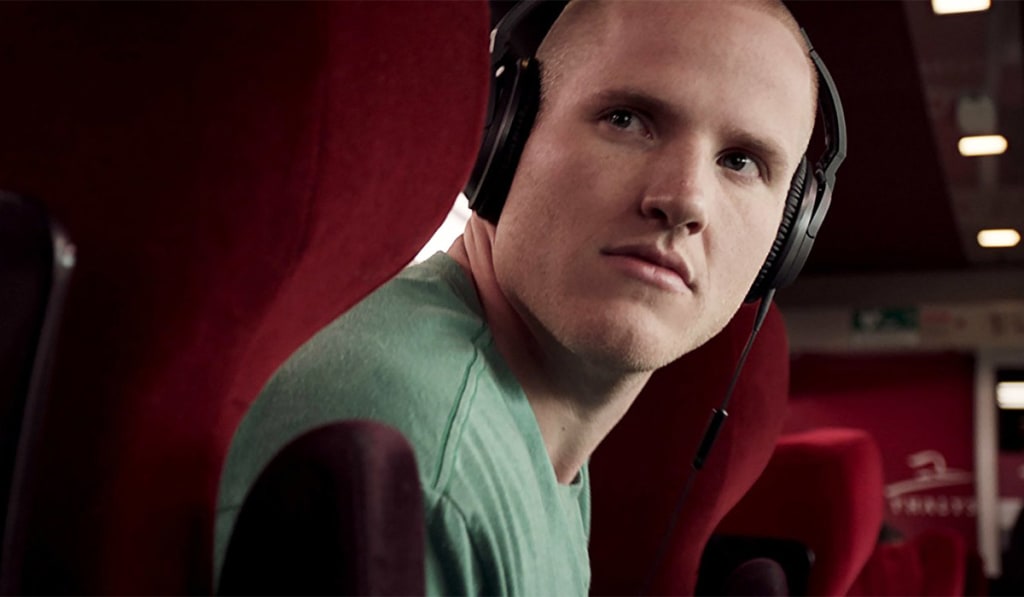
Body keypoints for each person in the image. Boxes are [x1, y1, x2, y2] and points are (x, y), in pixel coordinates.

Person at [215, 0, 825, 594]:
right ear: (502, 135)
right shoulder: (428, 466)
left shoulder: (519, 429)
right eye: (626, 120)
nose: (685, 200)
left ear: (787, 235)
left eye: (741, 161)